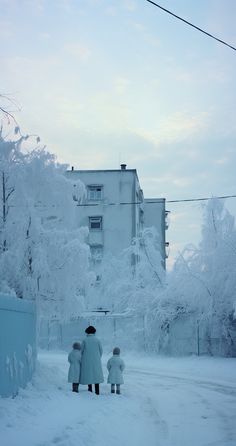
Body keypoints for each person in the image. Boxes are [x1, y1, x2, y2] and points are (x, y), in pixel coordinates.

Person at [80, 326, 104, 395]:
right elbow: (101, 350)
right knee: (96, 375)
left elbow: (81, 351)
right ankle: (97, 391)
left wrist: (83, 358)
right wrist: (98, 357)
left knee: (89, 374)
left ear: (87, 332)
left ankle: (90, 390)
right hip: (96, 360)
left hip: (86, 360)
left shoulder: (84, 340)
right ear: (94, 332)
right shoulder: (97, 340)